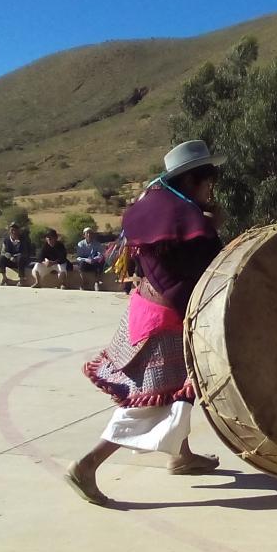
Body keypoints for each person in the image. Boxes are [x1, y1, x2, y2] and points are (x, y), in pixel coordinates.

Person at [65, 140, 225, 504]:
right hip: (166, 323)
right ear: (191, 182)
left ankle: (181, 456)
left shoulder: (153, 206)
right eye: (207, 182)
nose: (210, 189)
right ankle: (88, 465)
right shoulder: (190, 220)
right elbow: (209, 265)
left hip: (145, 308)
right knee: (151, 402)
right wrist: (214, 227)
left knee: (180, 391)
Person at [75, 227, 106, 291]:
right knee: (81, 264)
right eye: (87, 233)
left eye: (90, 233)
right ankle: (83, 282)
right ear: (84, 235)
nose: (89, 235)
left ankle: (96, 282)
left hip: (94, 262)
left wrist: (94, 259)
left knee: (101, 262)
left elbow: (100, 255)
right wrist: (86, 260)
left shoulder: (97, 244)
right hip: (85, 262)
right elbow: (78, 257)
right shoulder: (80, 244)